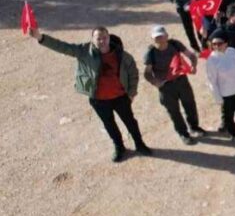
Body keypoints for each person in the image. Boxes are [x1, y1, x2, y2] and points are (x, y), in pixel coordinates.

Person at [31, 24, 149, 162]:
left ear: (109, 38)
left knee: (130, 122)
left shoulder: (122, 54)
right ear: (93, 40)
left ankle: (140, 144)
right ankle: (119, 147)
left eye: (104, 38)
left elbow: (133, 73)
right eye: (98, 38)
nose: (102, 41)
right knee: (109, 124)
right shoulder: (84, 51)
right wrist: (40, 37)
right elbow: (62, 47)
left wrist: (132, 93)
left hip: (121, 97)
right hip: (99, 100)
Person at [143, 25, 204, 145]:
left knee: (190, 104)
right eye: (157, 37)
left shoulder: (175, 44)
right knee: (174, 111)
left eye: (162, 36)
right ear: (153, 39)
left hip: (181, 80)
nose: (160, 39)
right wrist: (157, 83)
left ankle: (194, 127)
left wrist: (193, 66)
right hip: (166, 87)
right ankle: (183, 133)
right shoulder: (150, 53)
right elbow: (147, 73)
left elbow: (191, 55)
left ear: (167, 36)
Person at [205, 29, 235, 145]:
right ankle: (234, 135)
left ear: (226, 43)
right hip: (226, 95)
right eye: (214, 44)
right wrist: (218, 99)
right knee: (228, 118)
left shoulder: (233, 51)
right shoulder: (212, 60)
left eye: (219, 43)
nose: (216, 46)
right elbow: (212, 82)